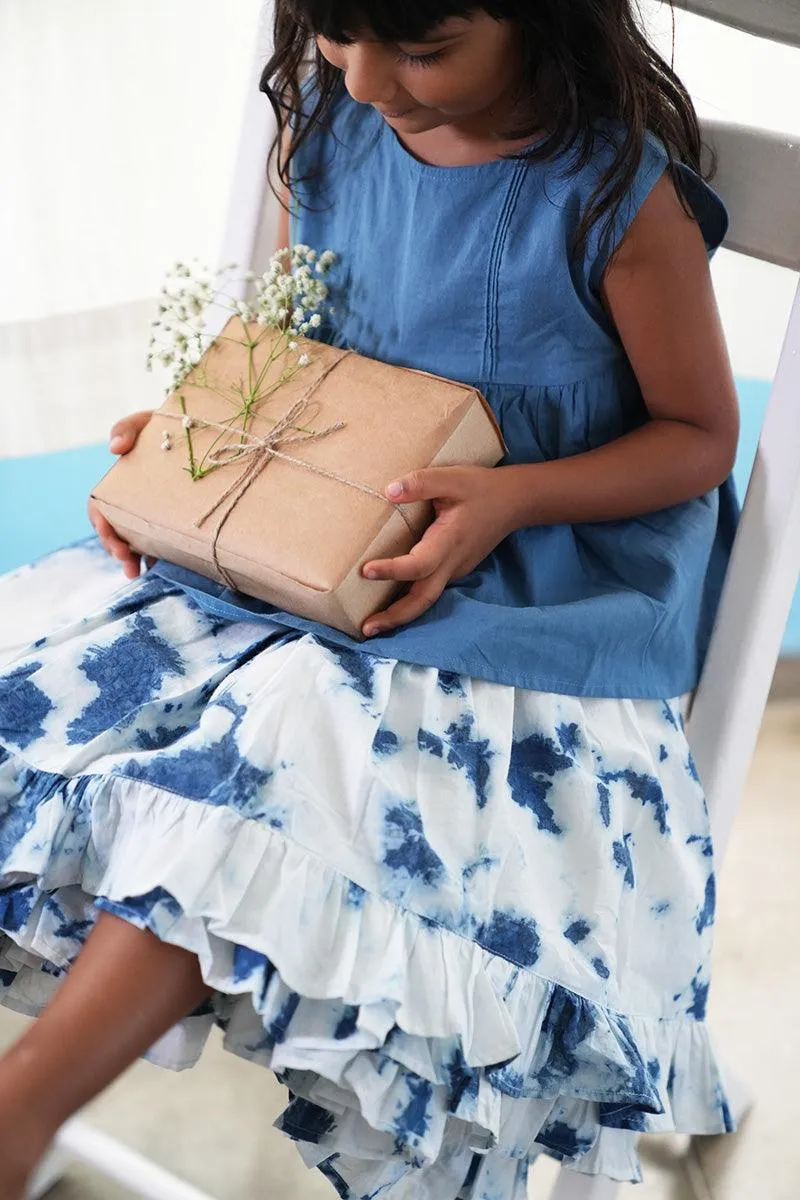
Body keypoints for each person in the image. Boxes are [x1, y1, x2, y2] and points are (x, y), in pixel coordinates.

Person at [0, 2, 741, 1197]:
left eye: (423, 47)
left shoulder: (608, 201)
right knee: (48, 677)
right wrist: (198, 434)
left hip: (535, 594)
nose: (370, 80)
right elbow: (305, 351)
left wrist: (511, 497)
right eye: (338, 34)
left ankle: (21, 1108)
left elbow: (698, 438)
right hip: (323, 540)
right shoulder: (331, 132)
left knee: (272, 759)